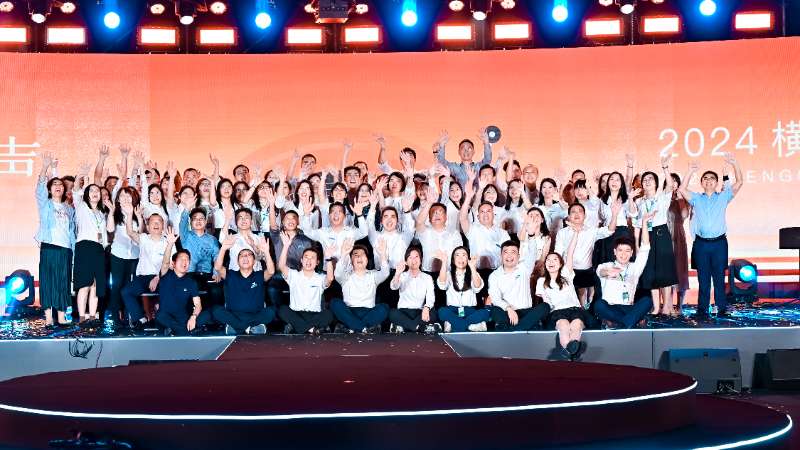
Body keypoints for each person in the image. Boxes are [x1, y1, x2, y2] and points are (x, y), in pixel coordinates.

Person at [678, 153, 743, 319]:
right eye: (705, 178)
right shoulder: (696, 198)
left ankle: (722, 308)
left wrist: (734, 163)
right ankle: (702, 310)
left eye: (712, 178)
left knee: (719, 278)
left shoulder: (723, 196)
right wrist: (690, 171)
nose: (708, 180)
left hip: (719, 244)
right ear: (702, 182)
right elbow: (682, 189)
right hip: (701, 244)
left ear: (716, 183)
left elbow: (739, 182)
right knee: (703, 279)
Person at [595, 209, 656, 329]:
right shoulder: (605, 265)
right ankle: (631, 321)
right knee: (599, 305)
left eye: (627, 251)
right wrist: (608, 272)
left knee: (647, 301)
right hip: (611, 306)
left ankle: (620, 323)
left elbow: (645, 247)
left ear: (631, 253)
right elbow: (601, 272)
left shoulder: (635, 267)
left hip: (628, 307)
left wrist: (644, 222)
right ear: (615, 252)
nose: (623, 254)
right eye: (620, 250)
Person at [634, 155, 679, 315]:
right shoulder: (639, 202)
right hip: (646, 236)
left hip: (661, 234)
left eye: (650, 179)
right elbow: (637, 224)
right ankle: (656, 307)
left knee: (665, 271)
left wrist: (665, 168)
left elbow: (670, 186)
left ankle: (666, 306)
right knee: (650, 272)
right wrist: (637, 245)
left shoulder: (662, 197)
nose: (647, 181)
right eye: (645, 180)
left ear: (656, 183)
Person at [554, 202, 621, 307]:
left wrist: (615, 214)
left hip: (586, 272)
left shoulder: (591, 231)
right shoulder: (562, 233)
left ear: (584, 216)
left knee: (591, 297)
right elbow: (557, 253)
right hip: (567, 272)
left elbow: (610, 230)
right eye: (573, 212)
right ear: (568, 216)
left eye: (580, 211)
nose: (577, 214)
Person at [35, 152, 75, 328]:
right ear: (50, 190)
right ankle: (48, 318)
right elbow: (40, 188)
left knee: (62, 282)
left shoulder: (68, 208)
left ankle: (61, 316)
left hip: (65, 248)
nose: (58, 186)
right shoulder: (46, 204)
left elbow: (71, 230)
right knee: (48, 281)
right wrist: (46, 167)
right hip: (50, 247)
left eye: (60, 185)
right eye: (55, 184)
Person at [213, 234, 276, 335]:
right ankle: (250, 328)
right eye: (242, 256)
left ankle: (237, 327)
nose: (245, 257)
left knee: (271, 312)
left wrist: (266, 252)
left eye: (248, 255)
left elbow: (271, 271)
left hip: (255, 315)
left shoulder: (259, 275)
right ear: (238, 262)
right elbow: (217, 268)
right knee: (216, 310)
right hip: (234, 314)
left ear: (254, 261)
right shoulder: (231, 274)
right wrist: (223, 248)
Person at [537, 230, 586, 359]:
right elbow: (545, 301)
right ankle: (570, 351)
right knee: (564, 325)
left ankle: (570, 351)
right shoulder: (541, 281)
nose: (551, 262)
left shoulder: (566, 274)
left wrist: (576, 233)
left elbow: (570, 252)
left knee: (576, 324)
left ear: (560, 264)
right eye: (548, 260)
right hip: (557, 312)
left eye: (555, 260)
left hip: (574, 309)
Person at [488, 233, 551, 332]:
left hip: (526, 313)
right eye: (505, 252)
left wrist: (531, 236)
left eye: (513, 252)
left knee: (545, 307)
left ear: (518, 256)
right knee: (495, 310)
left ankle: (512, 330)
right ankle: (523, 327)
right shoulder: (494, 275)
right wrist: (508, 308)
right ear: (501, 255)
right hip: (507, 313)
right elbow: (495, 298)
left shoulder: (524, 268)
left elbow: (532, 253)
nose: (509, 255)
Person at [72, 163, 110, 326]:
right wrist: (81, 175)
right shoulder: (81, 207)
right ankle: (82, 317)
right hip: (85, 247)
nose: (95, 193)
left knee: (96, 284)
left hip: (99, 248)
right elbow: (75, 190)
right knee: (84, 283)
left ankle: (93, 317)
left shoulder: (102, 212)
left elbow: (107, 231)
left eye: (97, 191)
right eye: (91, 190)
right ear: (86, 194)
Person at [121, 215, 174, 329]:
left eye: (159, 222)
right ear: (148, 227)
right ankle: (141, 319)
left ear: (163, 226)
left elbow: (172, 265)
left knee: (170, 290)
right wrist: (130, 214)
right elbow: (130, 232)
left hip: (162, 277)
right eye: (153, 222)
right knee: (126, 291)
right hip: (143, 278)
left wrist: (158, 277)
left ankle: (164, 320)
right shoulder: (144, 238)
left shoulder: (169, 241)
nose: (156, 224)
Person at [277, 234, 335, 335]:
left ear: (317, 262)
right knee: (282, 310)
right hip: (296, 313)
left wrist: (329, 259)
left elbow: (330, 278)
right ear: (301, 260)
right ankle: (312, 329)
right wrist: (286, 246)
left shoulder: (320, 278)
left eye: (312, 258)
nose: (308, 260)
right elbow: (281, 266)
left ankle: (297, 327)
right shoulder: (293, 275)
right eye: (306, 257)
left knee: (328, 315)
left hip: (314, 314)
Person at [331, 238, 391, 333]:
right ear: (351, 261)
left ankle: (352, 327)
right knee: (335, 303)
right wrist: (344, 254)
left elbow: (385, 273)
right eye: (356, 255)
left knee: (384, 308)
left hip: (368, 312)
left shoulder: (373, 275)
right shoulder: (345, 276)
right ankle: (364, 328)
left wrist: (383, 255)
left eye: (362, 254)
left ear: (367, 260)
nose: (359, 257)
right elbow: (337, 273)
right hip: (349, 311)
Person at [155, 247, 210, 336]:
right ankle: (185, 332)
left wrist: (193, 317)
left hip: (182, 318)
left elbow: (198, 305)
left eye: (187, 260)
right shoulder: (166, 275)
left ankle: (177, 331)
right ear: (173, 263)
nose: (184, 262)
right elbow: (165, 263)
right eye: (181, 259)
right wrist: (170, 244)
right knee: (160, 315)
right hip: (165, 317)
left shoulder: (191, 282)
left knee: (208, 314)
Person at [436, 246, 489, 332]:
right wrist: (444, 262)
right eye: (457, 255)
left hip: (469, 311)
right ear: (453, 259)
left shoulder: (473, 273)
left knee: (485, 313)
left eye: (464, 255)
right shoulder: (448, 274)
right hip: (453, 311)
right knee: (442, 311)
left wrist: (472, 267)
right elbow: (442, 285)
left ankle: (456, 324)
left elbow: (477, 287)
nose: (461, 258)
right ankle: (470, 325)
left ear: (468, 259)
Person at [388, 246, 440, 334]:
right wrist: (397, 273)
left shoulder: (427, 277)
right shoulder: (402, 275)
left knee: (433, 313)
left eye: (416, 257)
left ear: (420, 260)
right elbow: (393, 286)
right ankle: (418, 327)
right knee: (392, 313)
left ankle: (405, 326)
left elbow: (431, 297)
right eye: (410, 257)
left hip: (420, 312)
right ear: (406, 261)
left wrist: (427, 307)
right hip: (404, 312)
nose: (414, 260)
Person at [667, 173, 691, 316]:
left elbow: (684, 215)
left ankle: (680, 306)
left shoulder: (683, 199)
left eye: (675, 181)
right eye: (670, 181)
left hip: (678, 237)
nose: (673, 184)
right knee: (667, 272)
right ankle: (668, 305)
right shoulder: (662, 198)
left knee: (680, 271)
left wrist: (681, 198)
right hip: (665, 237)